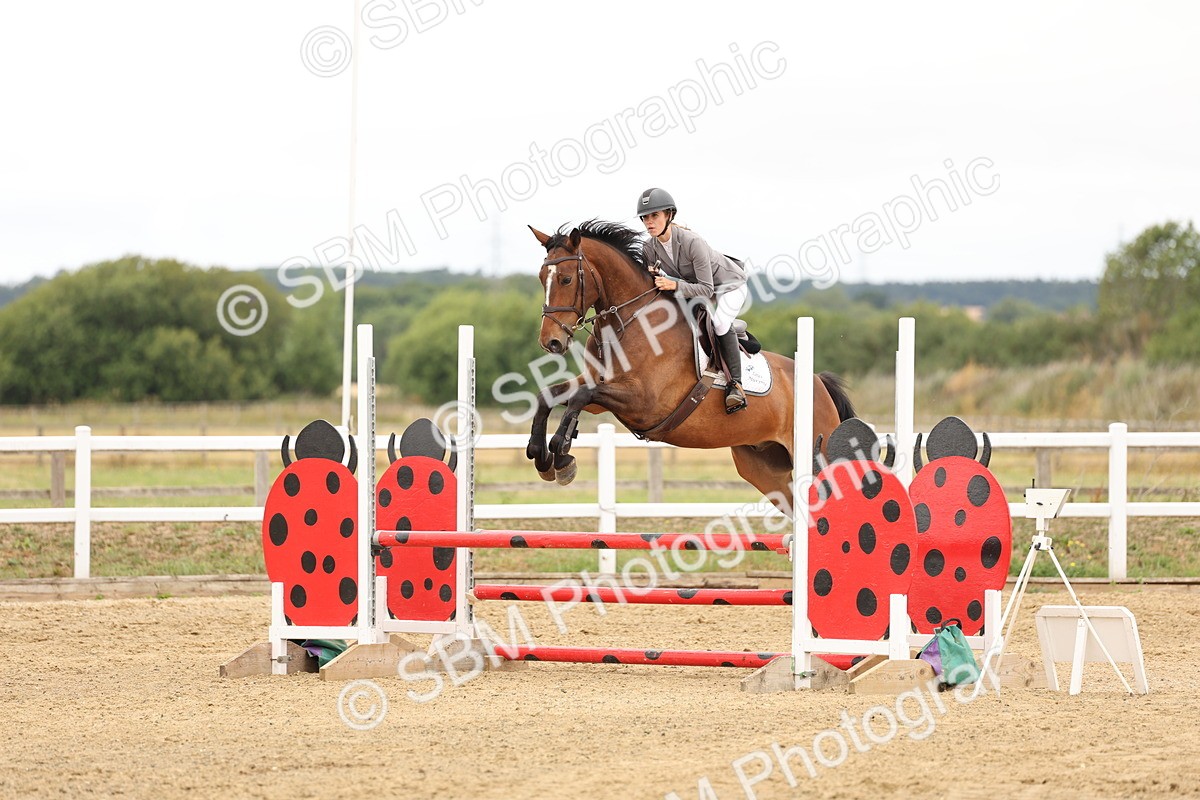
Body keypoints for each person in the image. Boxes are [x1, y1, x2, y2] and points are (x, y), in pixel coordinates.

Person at [636, 187, 749, 413]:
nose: (649, 222)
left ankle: (735, 385)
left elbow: (706, 290)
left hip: (729, 286)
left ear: (669, 215)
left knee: (719, 323)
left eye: (654, 216)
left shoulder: (692, 242)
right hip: (694, 288)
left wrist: (674, 285)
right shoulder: (649, 248)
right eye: (645, 217)